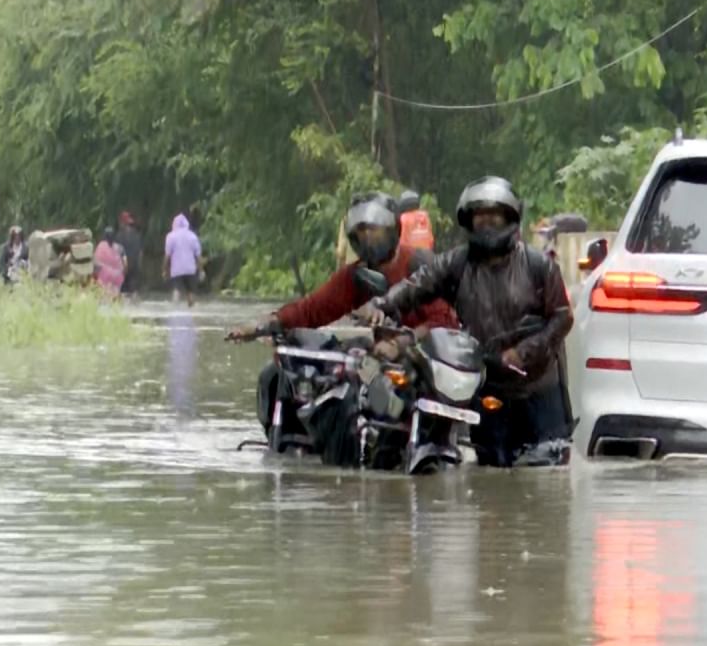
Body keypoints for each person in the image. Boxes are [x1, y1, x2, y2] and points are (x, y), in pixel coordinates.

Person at [361, 176, 574, 468]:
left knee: (549, 471)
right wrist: (382, 303)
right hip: (488, 384)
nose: (486, 222)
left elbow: (562, 318)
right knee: (491, 470)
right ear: (469, 221)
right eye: (479, 216)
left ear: (510, 217)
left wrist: (523, 352)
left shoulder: (539, 265)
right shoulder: (458, 263)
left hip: (539, 387)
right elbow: (418, 284)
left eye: (493, 214)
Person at [226, 192, 458, 453]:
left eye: (375, 231)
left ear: (393, 230)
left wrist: (401, 343)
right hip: (382, 361)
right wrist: (264, 325)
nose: (368, 239)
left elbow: (444, 322)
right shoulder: (357, 275)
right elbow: (313, 309)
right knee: (287, 375)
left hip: (428, 363)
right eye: (361, 233)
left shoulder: (419, 264)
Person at [164, 212, 202, 306]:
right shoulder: (193, 236)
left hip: (176, 270)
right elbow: (198, 256)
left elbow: (167, 255)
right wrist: (201, 270)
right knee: (190, 292)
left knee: (176, 289)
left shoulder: (171, 236)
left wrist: (164, 270)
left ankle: (175, 311)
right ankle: (191, 309)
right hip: (190, 269)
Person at [116, 211, 144, 296]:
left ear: (122, 222)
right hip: (134, 264)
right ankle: (135, 306)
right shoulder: (137, 235)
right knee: (134, 289)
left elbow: (117, 253)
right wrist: (139, 265)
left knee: (123, 290)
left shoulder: (119, 236)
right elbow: (140, 252)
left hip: (123, 266)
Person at [93, 227, 126, 295]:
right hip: (117, 277)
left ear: (104, 236)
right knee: (115, 295)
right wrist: (123, 273)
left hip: (104, 277)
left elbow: (96, 262)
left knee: (105, 295)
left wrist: (95, 275)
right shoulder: (120, 247)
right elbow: (125, 262)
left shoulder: (100, 246)